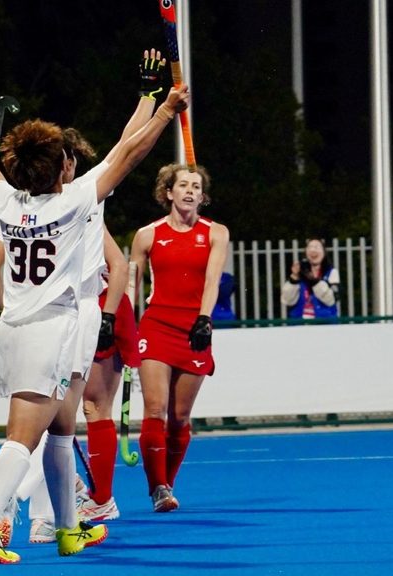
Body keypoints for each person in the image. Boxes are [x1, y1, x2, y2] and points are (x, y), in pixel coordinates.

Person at [0, 79, 187, 563]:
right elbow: (128, 154)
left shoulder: (4, 200)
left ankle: (68, 528)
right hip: (50, 333)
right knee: (21, 440)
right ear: (61, 166)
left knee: (61, 430)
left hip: (15, 329)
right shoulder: (74, 201)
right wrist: (165, 111)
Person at [129, 162, 229, 512]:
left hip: (194, 328)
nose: (190, 191)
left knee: (180, 417)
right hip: (157, 325)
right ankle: (157, 487)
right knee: (155, 408)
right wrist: (123, 325)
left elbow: (212, 280)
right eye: (183, 185)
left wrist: (204, 319)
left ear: (202, 197)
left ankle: (167, 483)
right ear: (168, 192)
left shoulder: (216, 232)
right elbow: (132, 286)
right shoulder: (147, 235)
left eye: (196, 187)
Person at [281, 238, 341, 320]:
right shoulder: (299, 272)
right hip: (299, 323)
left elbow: (331, 300)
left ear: (324, 252)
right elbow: (287, 301)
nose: (313, 250)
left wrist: (314, 281)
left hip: (324, 322)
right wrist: (294, 278)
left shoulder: (331, 272)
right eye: (310, 247)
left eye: (317, 247)